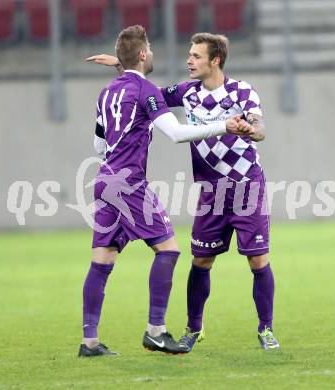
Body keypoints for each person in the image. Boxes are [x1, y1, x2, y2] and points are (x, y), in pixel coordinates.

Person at [80, 26, 246, 357]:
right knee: (168, 250)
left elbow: (99, 143)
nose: (153, 52)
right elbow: (177, 133)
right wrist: (223, 126)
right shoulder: (145, 91)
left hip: (104, 179)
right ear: (143, 54)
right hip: (129, 183)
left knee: (102, 260)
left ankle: (90, 342)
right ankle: (156, 331)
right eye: (151, 48)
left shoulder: (107, 92)